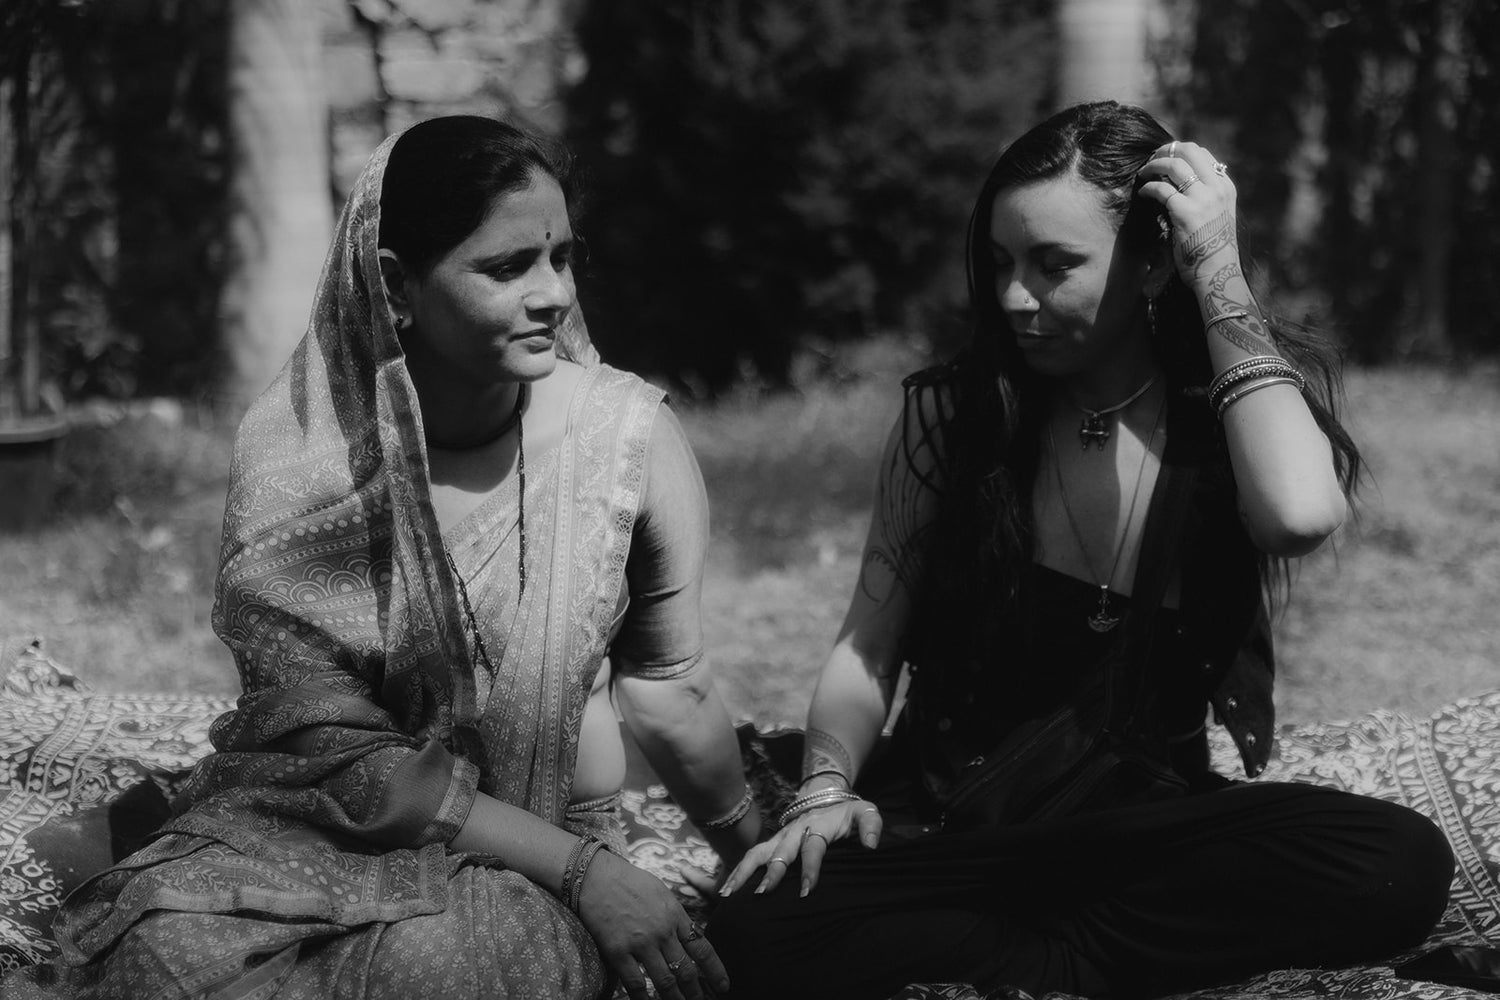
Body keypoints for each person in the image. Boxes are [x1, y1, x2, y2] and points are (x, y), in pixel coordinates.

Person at [708, 101, 1454, 999]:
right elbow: (869, 640)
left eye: (1054, 265)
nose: (1017, 297)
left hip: (1138, 835)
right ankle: (1082, 963)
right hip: (962, 834)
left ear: (1149, 261)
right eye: (999, 264)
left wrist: (1218, 267)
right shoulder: (955, 416)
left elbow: (1298, 514)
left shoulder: (1224, 412)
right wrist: (825, 791)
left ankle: (1040, 960)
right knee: (758, 921)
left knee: (1396, 860)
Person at [5, 116, 759, 1000]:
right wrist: (592, 875)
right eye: (508, 267)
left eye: (563, 258)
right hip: (323, 820)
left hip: (531, 850)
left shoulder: (624, 439)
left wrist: (757, 854)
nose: (553, 294)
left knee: (454, 970)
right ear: (396, 285)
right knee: (160, 959)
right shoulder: (303, 458)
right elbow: (334, 750)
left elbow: (672, 683)